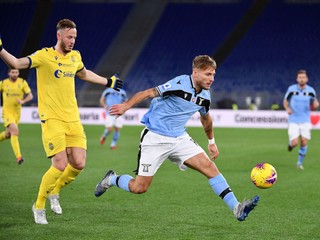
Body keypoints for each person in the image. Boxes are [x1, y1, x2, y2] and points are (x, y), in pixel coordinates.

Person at [94, 55, 259, 221]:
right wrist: (125, 106)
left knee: (210, 168)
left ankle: (236, 207)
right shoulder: (179, 83)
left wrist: (211, 142)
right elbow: (148, 92)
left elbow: (206, 119)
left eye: (214, 74)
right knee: (139, 188)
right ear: (195, 73)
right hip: (155, 138)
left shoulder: (205, 96)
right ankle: (111, 179)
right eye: (208, 74)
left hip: (180, 138)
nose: (212, 79)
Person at [0, 19, 123, 224]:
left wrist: (107, 81)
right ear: (59, 36)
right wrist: (1, 49)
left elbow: (84, 73)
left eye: (74, 37)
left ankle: (54, 192)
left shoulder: (75, 56)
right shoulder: (44, 56)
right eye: (69, 37)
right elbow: (17, 63)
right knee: (59, 164)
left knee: (79, 163)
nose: (73, 41)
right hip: (52, 118)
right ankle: (39, 205)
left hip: (73, 118)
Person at [283, 70, 319, 170]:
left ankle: (299, 163)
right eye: (300, 77)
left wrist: (316, 105)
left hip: (305, 120)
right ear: (297, 79)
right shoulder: (291, 89)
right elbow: (285, 101)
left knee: (303, 141)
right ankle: (290, 145)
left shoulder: (311, 91)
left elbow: (314, 102)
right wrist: (287, 108)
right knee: (295, 143)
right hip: (293, 119)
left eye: (303, 77)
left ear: (307, 79)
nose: (302, 79)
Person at [0, 68, 33, 164]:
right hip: (7, 112)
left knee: (8, 134)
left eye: (16, 72)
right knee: (15, 131)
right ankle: (19, 157)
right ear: (8, 73)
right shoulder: (3, 83)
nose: (14, 74)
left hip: (17, 113)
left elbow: (30, 95)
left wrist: (23, 101)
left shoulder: (22, 82)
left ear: (18, 73)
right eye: (12, 72)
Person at [99, 85, 127, 149]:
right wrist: (104, 105)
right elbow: (102, 99)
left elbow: (126, 101)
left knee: (117, 129)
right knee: (109, 129)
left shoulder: (122, 92)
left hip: (118, 113)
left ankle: (113, 144)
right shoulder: (107, 91)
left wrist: (123, 106)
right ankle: (104, 136)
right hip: (109, 113)